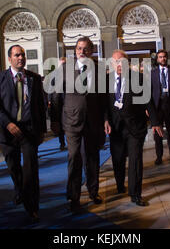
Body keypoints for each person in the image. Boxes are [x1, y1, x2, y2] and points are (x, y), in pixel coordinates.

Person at [0, 45, 46, 222]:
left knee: (31, 170)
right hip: (7, 132)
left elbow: (40, 106)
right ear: (10, 59)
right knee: (14, 167)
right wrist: (8, 123)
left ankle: (32, 207)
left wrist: (42, 130)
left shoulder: (34, 79)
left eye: (22, 55)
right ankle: (20, 190)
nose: (20, 58)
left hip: (28, 131)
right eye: (17, 55)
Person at [50, 37, 106, 212]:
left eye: (86, 49)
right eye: (79, 48)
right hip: (72, 121)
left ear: (92, 51)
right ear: (75, 51)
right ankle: (73, 196)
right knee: (74, 158)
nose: (82, 51)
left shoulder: (99, 71)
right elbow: (56, 97)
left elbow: (103, 99)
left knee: (92, 158)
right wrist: (55, 120)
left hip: (93, 122)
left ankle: (93, 191)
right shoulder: (65, 70)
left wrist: (105, 120)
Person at [104, 50, 162, 206]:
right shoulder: (106, 80)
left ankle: (135, 193)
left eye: (122, 61)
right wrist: (105, 120)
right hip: (115, 127)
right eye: (116, 62)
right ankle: (119, 185)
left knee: (136, 159)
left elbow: (148, 101)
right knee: (118, 159)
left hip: (135, 126)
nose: (119, 65)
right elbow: (104, 105)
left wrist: (155, 122)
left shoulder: (140, 79)